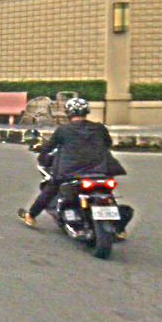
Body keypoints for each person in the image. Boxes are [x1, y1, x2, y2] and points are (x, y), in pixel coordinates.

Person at [18, 97, 127, 236]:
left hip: (71, 172)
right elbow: (107, 144)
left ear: (68, 113)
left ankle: (31, 215)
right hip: (100, 171)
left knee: (51, 187)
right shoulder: (100, 128)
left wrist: (43, 158)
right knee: (107, 193)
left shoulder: (63, 130)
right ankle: (119, 229)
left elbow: (49, 148)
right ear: (86, 112)